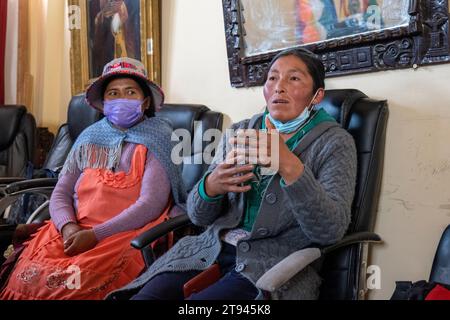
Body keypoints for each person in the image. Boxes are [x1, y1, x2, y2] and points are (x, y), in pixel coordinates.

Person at [108, 48, 357, 300]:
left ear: (317, 96)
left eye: (293, 78)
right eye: (272, 78)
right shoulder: (241, 132)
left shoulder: (334, 142)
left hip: (271, 266)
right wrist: (211, 188)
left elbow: (329, 231)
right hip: (210, 250)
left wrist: (290, 166)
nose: (279, 87)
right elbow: (197, 215)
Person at [0, 57, 186, 300]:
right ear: (103, 103)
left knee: (78, 287)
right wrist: (68, 227)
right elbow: (61, 192)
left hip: (124, 231)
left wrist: (95, 235)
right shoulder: (89, 137)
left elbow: (150, 204)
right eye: (113, 93)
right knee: (27, 278)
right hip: (74, 229)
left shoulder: (161, 137)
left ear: (145, 101)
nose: (121, 99)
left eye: (130, 92)